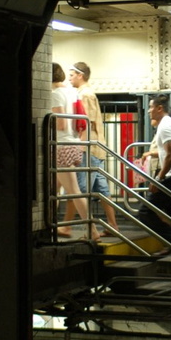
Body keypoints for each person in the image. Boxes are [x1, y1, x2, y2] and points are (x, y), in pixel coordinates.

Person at [69, 62, 119, 236]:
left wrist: (81, 147)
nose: (69, 78)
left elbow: (86, 122)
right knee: (102, 190)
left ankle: (90, 230)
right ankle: (112, 225)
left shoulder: (85, 94)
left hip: (88, 148)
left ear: (80, 75)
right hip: (96, 147)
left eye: (72, 75)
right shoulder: (87, 93)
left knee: (82, 189)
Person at [136, 94, 171, 247]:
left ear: (159, 108)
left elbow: (170, 154)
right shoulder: (169, 124)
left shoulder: (165, 126)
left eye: (150, 107)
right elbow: (167, 152)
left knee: (145, 211)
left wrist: (158, 179)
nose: (148, 111)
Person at [51, 63, 94, 240]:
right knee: (52, 190)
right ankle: (52, 226)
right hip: (74, 144)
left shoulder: (55, 95)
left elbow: (60, 124)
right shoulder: (71, 92)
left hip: (61, 146)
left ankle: (93, 230)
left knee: (74, 191)